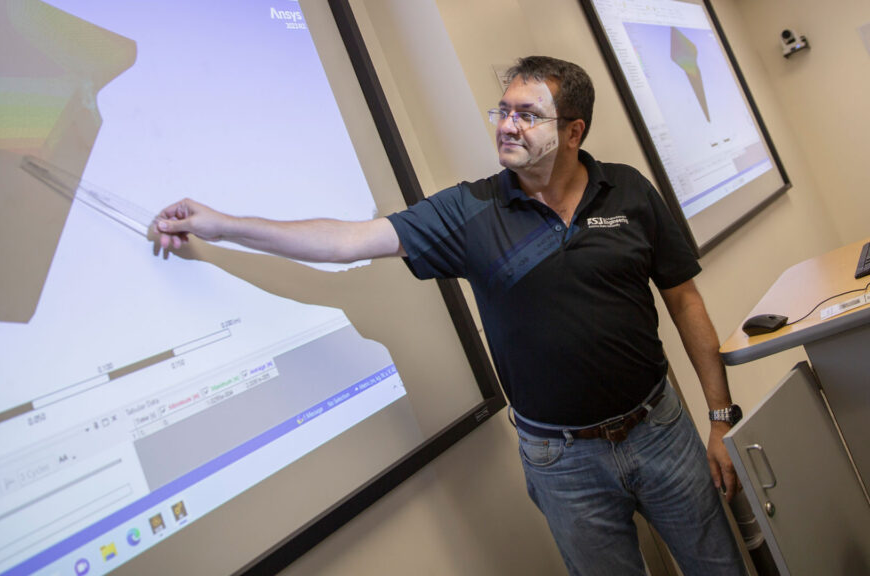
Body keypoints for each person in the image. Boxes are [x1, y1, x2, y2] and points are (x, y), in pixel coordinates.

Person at [153, 56, 746, 575]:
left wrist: (719, 418)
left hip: (662, 431)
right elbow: (346, 242)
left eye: (527, 114)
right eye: (502, 110)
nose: (507, 125)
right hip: (563, 463)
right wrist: (223, 225)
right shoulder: (472, 211)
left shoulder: (629, 192)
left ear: (573, 131)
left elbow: (684, 299)